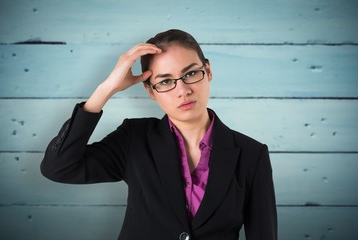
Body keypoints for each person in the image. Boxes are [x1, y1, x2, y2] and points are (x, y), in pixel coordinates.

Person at [41, 29, 277, 240]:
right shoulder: (134, 139)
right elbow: (59, 167)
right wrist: (106, 89)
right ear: (150, 91)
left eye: (191, 74)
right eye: (165, 81)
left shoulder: (251, 154)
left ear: (208, 70)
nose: (183, 90)